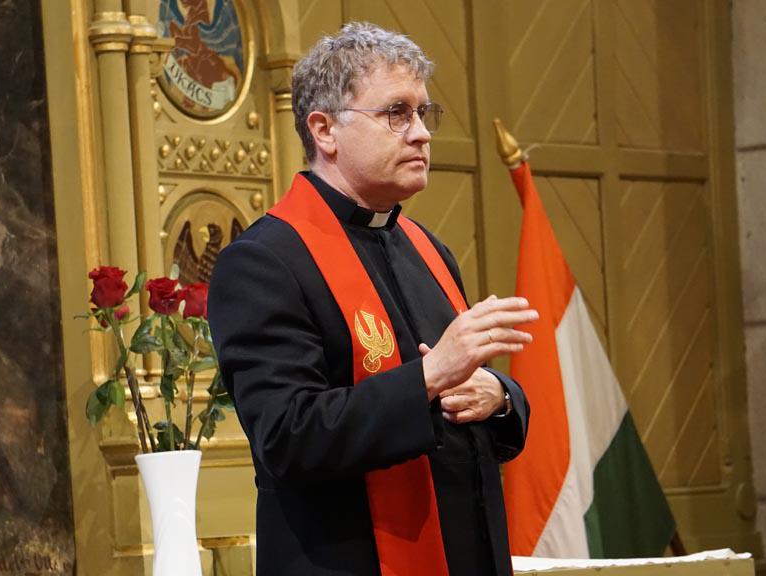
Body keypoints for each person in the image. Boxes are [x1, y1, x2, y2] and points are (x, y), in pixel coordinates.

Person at [208, 22, 538, 576]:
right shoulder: (264, 262)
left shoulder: (428, 249)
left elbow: (460, 402)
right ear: (325, 130)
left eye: (424, 114)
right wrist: (429, 377)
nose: (422, 134)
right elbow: (286, 437)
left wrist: (500, 396)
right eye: (397, 113)